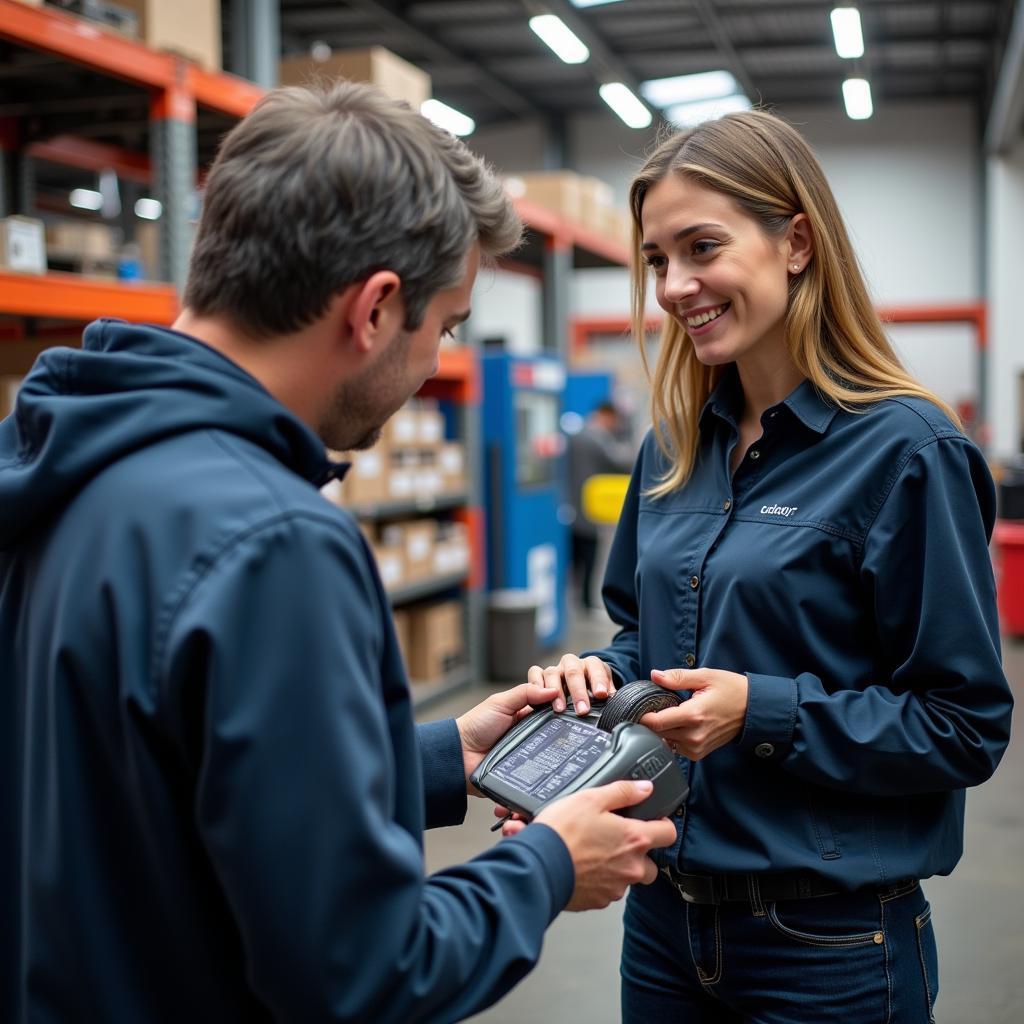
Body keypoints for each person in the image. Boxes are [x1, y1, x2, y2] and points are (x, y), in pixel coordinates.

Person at [0, 83, 676, 1023]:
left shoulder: (67, 462)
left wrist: (446, 756)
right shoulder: (272, 541)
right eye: (442, 328)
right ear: (373, 308)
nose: (438, 362)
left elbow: (158, 786)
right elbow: (360, 971)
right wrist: (550, 866)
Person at [527, 109, 1013, 1022]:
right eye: (656, 260)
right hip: (664, 927)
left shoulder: (907, 453)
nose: (674, 286)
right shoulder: (673, 446)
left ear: (795, 241)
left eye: (701, 247)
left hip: (828, 949)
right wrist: (603, 677)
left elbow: (963, 726)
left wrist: (766, 711)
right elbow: (643, 634)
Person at [568, 400, 634, 612]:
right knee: (589, 557)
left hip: (573, 505)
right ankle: (586, 603)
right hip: (589, 507)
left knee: (576, 559)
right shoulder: (597, 437)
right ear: (606, 415)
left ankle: (576, 601)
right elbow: (620, 462)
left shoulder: (577, 435)